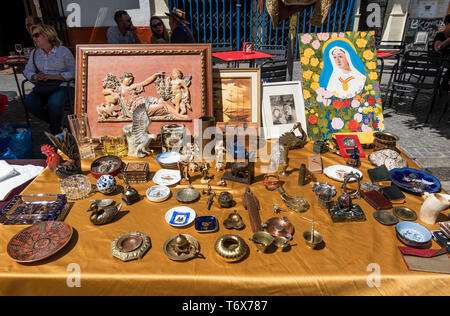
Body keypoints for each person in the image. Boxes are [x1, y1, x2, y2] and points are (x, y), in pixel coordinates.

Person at [23, 24, 75, 135]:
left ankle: (56, 132)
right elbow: (27, 70)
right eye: (32, 36)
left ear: (47, 35)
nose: (34, 38)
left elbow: (74, 72)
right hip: (44, 86)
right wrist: (35, 76)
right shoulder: (35, 53)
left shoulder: (63, 51)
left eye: (36, 35)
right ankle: (57, 126)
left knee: (54, 103)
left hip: (63, 85)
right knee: (30, 103)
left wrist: (53, 76)